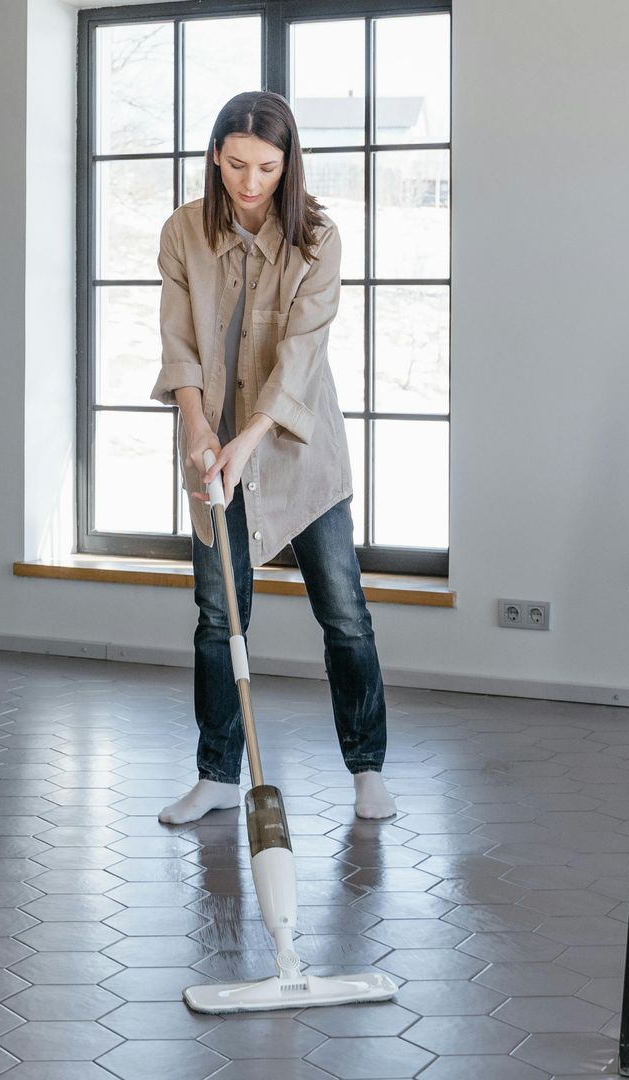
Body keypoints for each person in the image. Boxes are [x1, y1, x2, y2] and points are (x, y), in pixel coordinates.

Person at [150, 91, 396, 825]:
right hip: (209, 452)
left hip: (296, 450)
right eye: (233, 165)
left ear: (287, 165)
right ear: (214, 157)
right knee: (218, 617)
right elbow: (178, 343)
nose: (248, 182)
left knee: (344, 614)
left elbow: (300, 359)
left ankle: (367, 770)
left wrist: (245, 438)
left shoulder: (318, 239)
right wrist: (198, 427)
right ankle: (217, 773)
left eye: (264, 167)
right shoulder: (182, 231)